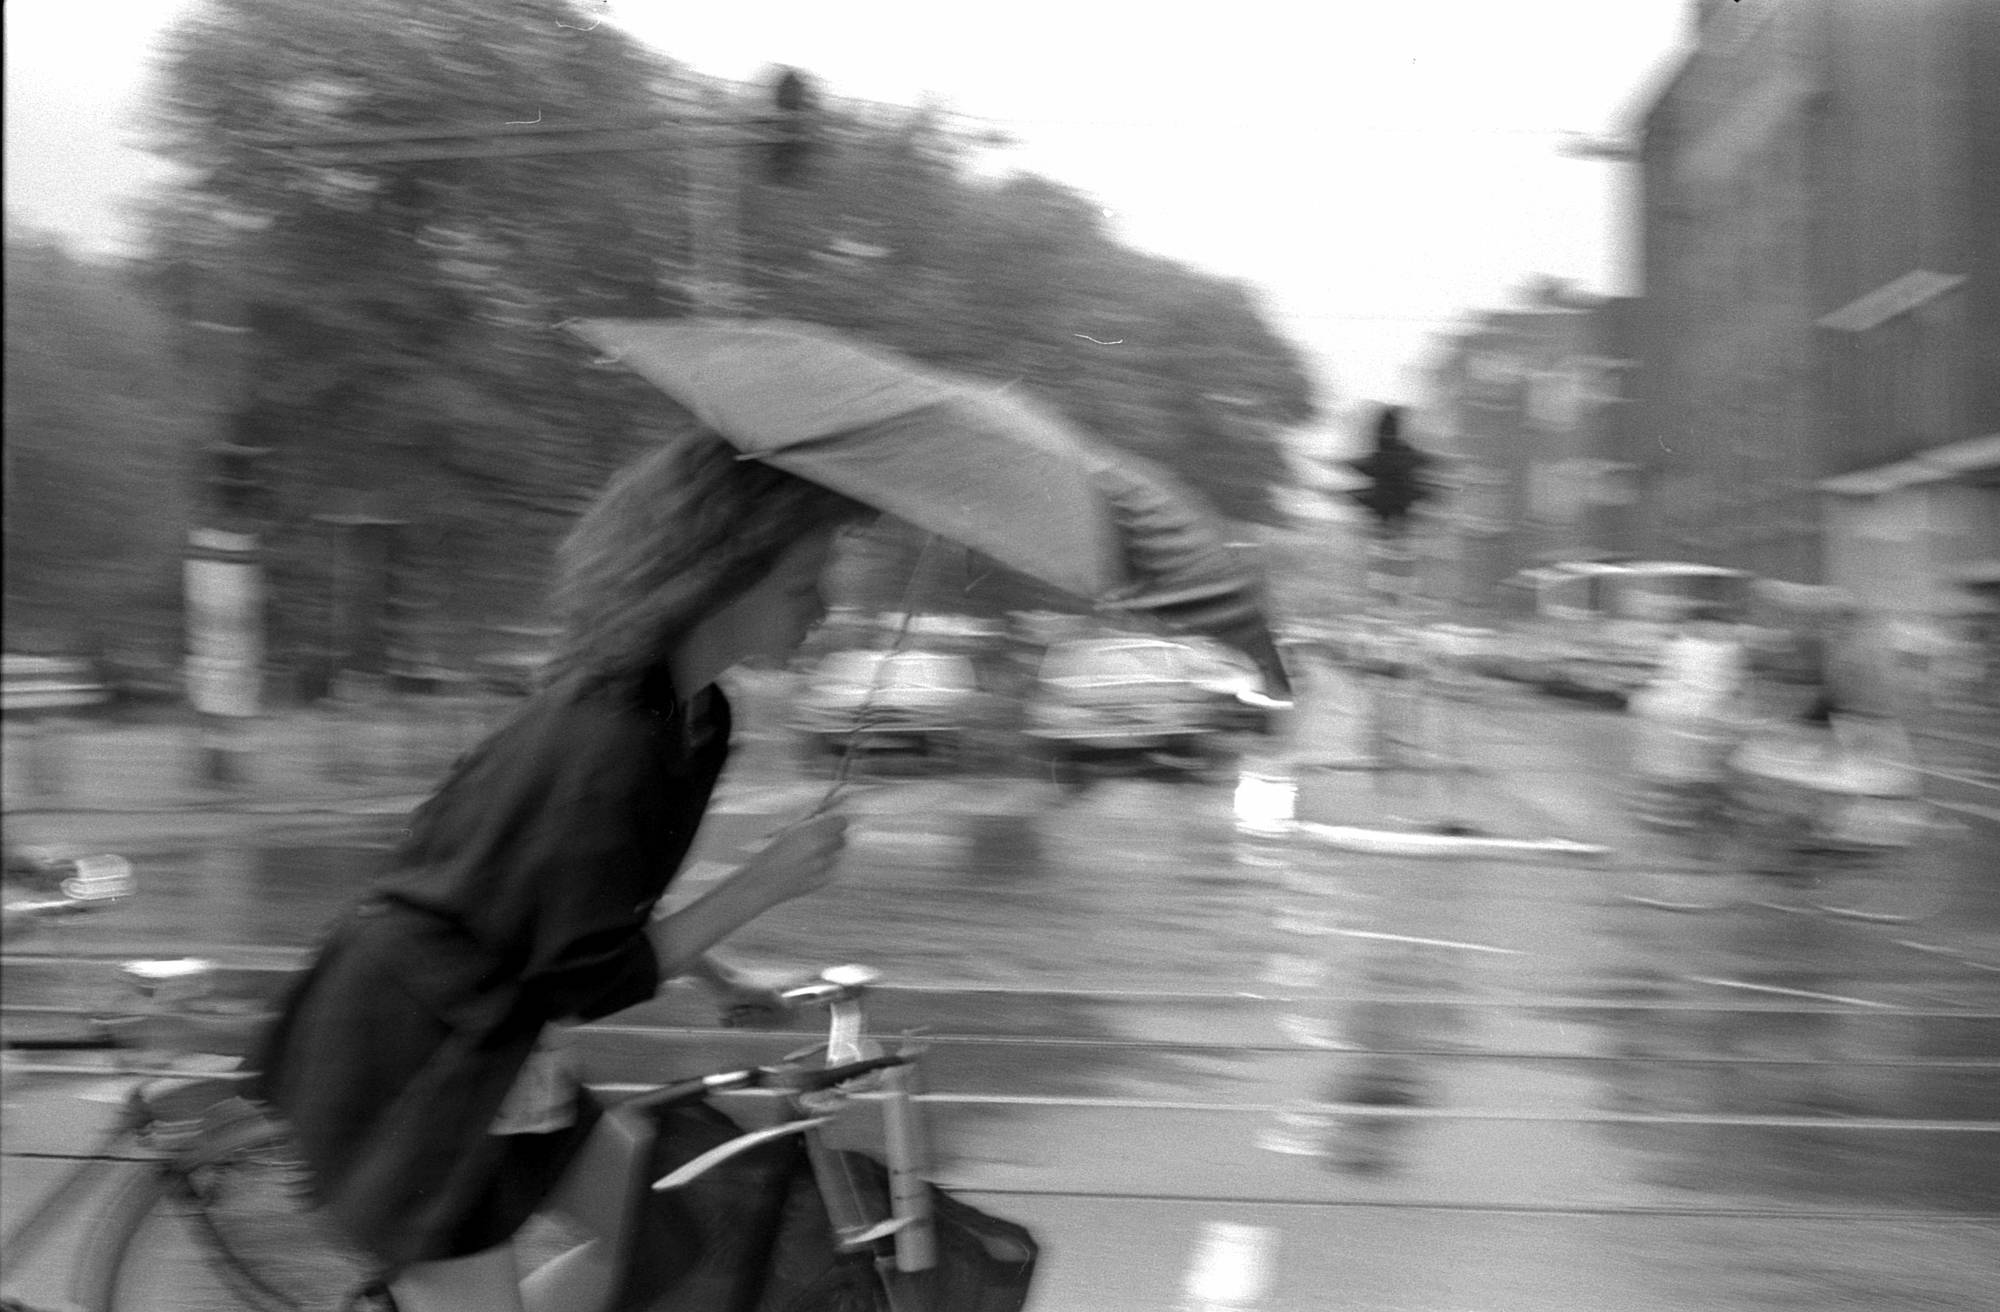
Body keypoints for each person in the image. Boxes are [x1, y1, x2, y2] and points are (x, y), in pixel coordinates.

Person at [251, 437, 874, 1312]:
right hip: (417, 1047)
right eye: (805, 584)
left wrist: (719, 975)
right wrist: (763, 883)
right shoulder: (610, 735)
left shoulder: (694, 714)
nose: (827, 608)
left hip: (496, 1035)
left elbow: (593, 896)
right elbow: (582, 971)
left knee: (676, 1239)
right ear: (720, 578)